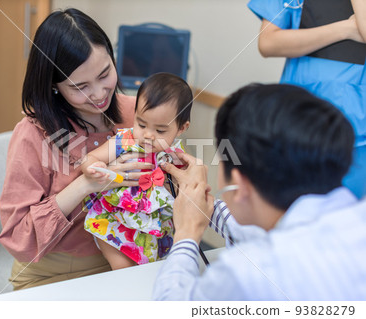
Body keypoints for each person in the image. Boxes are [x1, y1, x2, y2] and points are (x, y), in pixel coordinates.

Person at [153, 83, 366, 300]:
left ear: (238, 183)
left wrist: (186, 235)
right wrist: (200, 205)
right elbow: (258, 227)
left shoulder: (245, 274)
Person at [0, 8, 155, 290]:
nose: (98, 94)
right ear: (54, 86)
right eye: (80, 86)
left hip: (134, 257)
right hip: (55, 272)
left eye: (105, 73)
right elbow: (19, 239)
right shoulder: (33, 135)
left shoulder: (138, 113)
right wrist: (85, 184)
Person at [248, 0, 366, 198]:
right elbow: (267, 43)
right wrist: (345, 29)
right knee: (290, 209)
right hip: (297, 121)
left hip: (357, 133)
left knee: (347, 218)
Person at [81, 72, 192, 269]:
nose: (148, 135)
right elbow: (91, 158)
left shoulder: (177, 154)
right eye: (141, 124)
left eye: (160, 131)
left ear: (181, 128)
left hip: (153, 226)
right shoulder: (125, 139)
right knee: (122, 269)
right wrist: (94, 167)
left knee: (149, 270)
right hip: (115, 219)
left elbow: (187, 188)